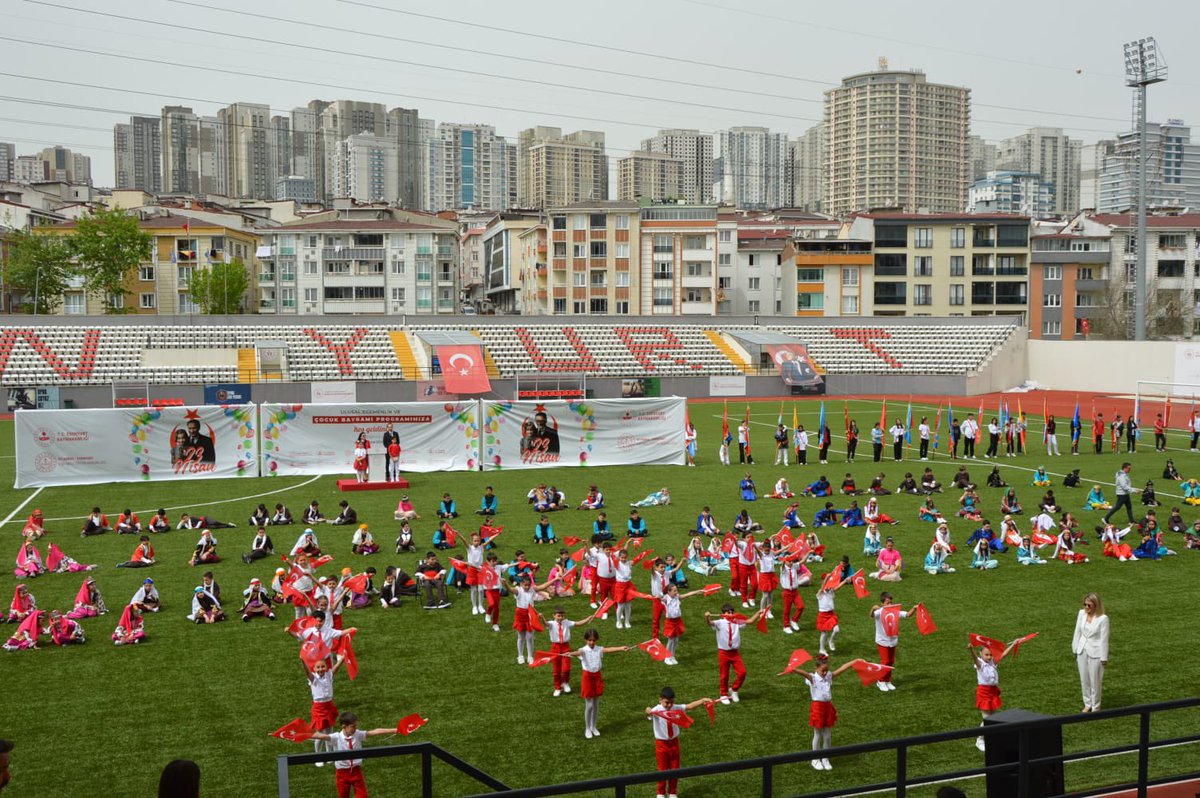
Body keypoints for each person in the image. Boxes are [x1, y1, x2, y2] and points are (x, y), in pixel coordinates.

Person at [787, 653, 861, 771]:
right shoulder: (813, 678)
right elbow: (805, 674)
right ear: (816, 669)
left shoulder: (828, 676)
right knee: (818, 734)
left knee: (827, 735)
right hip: (817, 708)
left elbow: (842, 669)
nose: (825, 673)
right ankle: (815, 759)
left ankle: (825, 758)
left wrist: (854, 662)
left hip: (828, 707)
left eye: (827, 670)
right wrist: (794, 669)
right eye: (823, 671)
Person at [308, 711, 395, 796]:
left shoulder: (358, 734)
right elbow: (321, 736)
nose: (355, 728)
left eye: (356, 726)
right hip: (342, 774)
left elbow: (374, 732)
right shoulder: (336, 737)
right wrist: (301, 734)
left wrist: (394, 730)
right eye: (353, 726)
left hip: (356, 771)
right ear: (344, 726)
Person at [645, 687, 712, 798]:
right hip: (661, 744)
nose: (669, 705)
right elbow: (649, 713)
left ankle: (672, 793)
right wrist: (648, 710)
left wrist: (702, 700)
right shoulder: (656, 710)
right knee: (662, 770)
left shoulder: (676, 708)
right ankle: (660, 793)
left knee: (675, 769)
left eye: (671, 702)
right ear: (660, 700)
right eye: (667, 702)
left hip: (674, 743)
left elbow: (689, 706)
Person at [569, 629, 631, 739]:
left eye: (593, 640)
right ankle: (587, 728)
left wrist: (621, 648)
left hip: (597, 676)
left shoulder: (599, 649)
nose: (592, 642)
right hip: (587, 678)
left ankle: (594, 726)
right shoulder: (583, 650)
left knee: (596, 704)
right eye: (589, 640)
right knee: (589, 705)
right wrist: (570, 654)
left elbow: (609, 649)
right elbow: (578, 653)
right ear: (585, 640)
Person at [705, 603, 766, 704]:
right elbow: (710, 623)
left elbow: (750, 621)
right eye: (729, 612)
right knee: (724, 675)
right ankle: (723, 694)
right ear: (724, 614)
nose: (731, 614)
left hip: (734, 653)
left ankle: (734, 690)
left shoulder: (736, 622)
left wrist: (758, 612)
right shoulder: (720, 622)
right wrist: (707, 617)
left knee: (742, 672)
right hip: (723, 653)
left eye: (732, 612)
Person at [970, 637, 1019, 751]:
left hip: (992, 692)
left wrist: (1014, 643)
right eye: (986, 655)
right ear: (981, 654)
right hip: (984, 693)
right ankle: (980, 739)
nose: (989, 657)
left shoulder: (992, 662)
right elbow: (975, 660)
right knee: (987, 719)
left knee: (992, 717)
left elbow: (1004, 654)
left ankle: (987, 737)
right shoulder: (980, 665)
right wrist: (971, 650)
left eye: (990, 655)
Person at [1072, 592, 1109, 713]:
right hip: (1082, 650)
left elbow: (1104, 639)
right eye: (1085, 604)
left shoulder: (1103, 619)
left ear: (1096, 605)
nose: (1086, 607)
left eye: (1089, 605)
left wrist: (1104, 657)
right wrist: (1075, 648)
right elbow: (1077, 631)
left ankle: (1096, 706)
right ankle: (1087, 704)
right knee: (1084, 679)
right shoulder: (1081, 614)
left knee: (1095, 680)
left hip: (1096, 652)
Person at [870, 592, 911, 691]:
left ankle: (888, 681)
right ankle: (880, 681)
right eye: (887, 603)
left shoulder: (894, 611)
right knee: (885, 661)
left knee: (891, 661)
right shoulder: (879, 612)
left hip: (892, 641)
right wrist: (872, 609)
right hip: (882, 641)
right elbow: (872, 616)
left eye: (891, 602)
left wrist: (914, 608)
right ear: (882, 603)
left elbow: (907, 615)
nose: (890, 605)